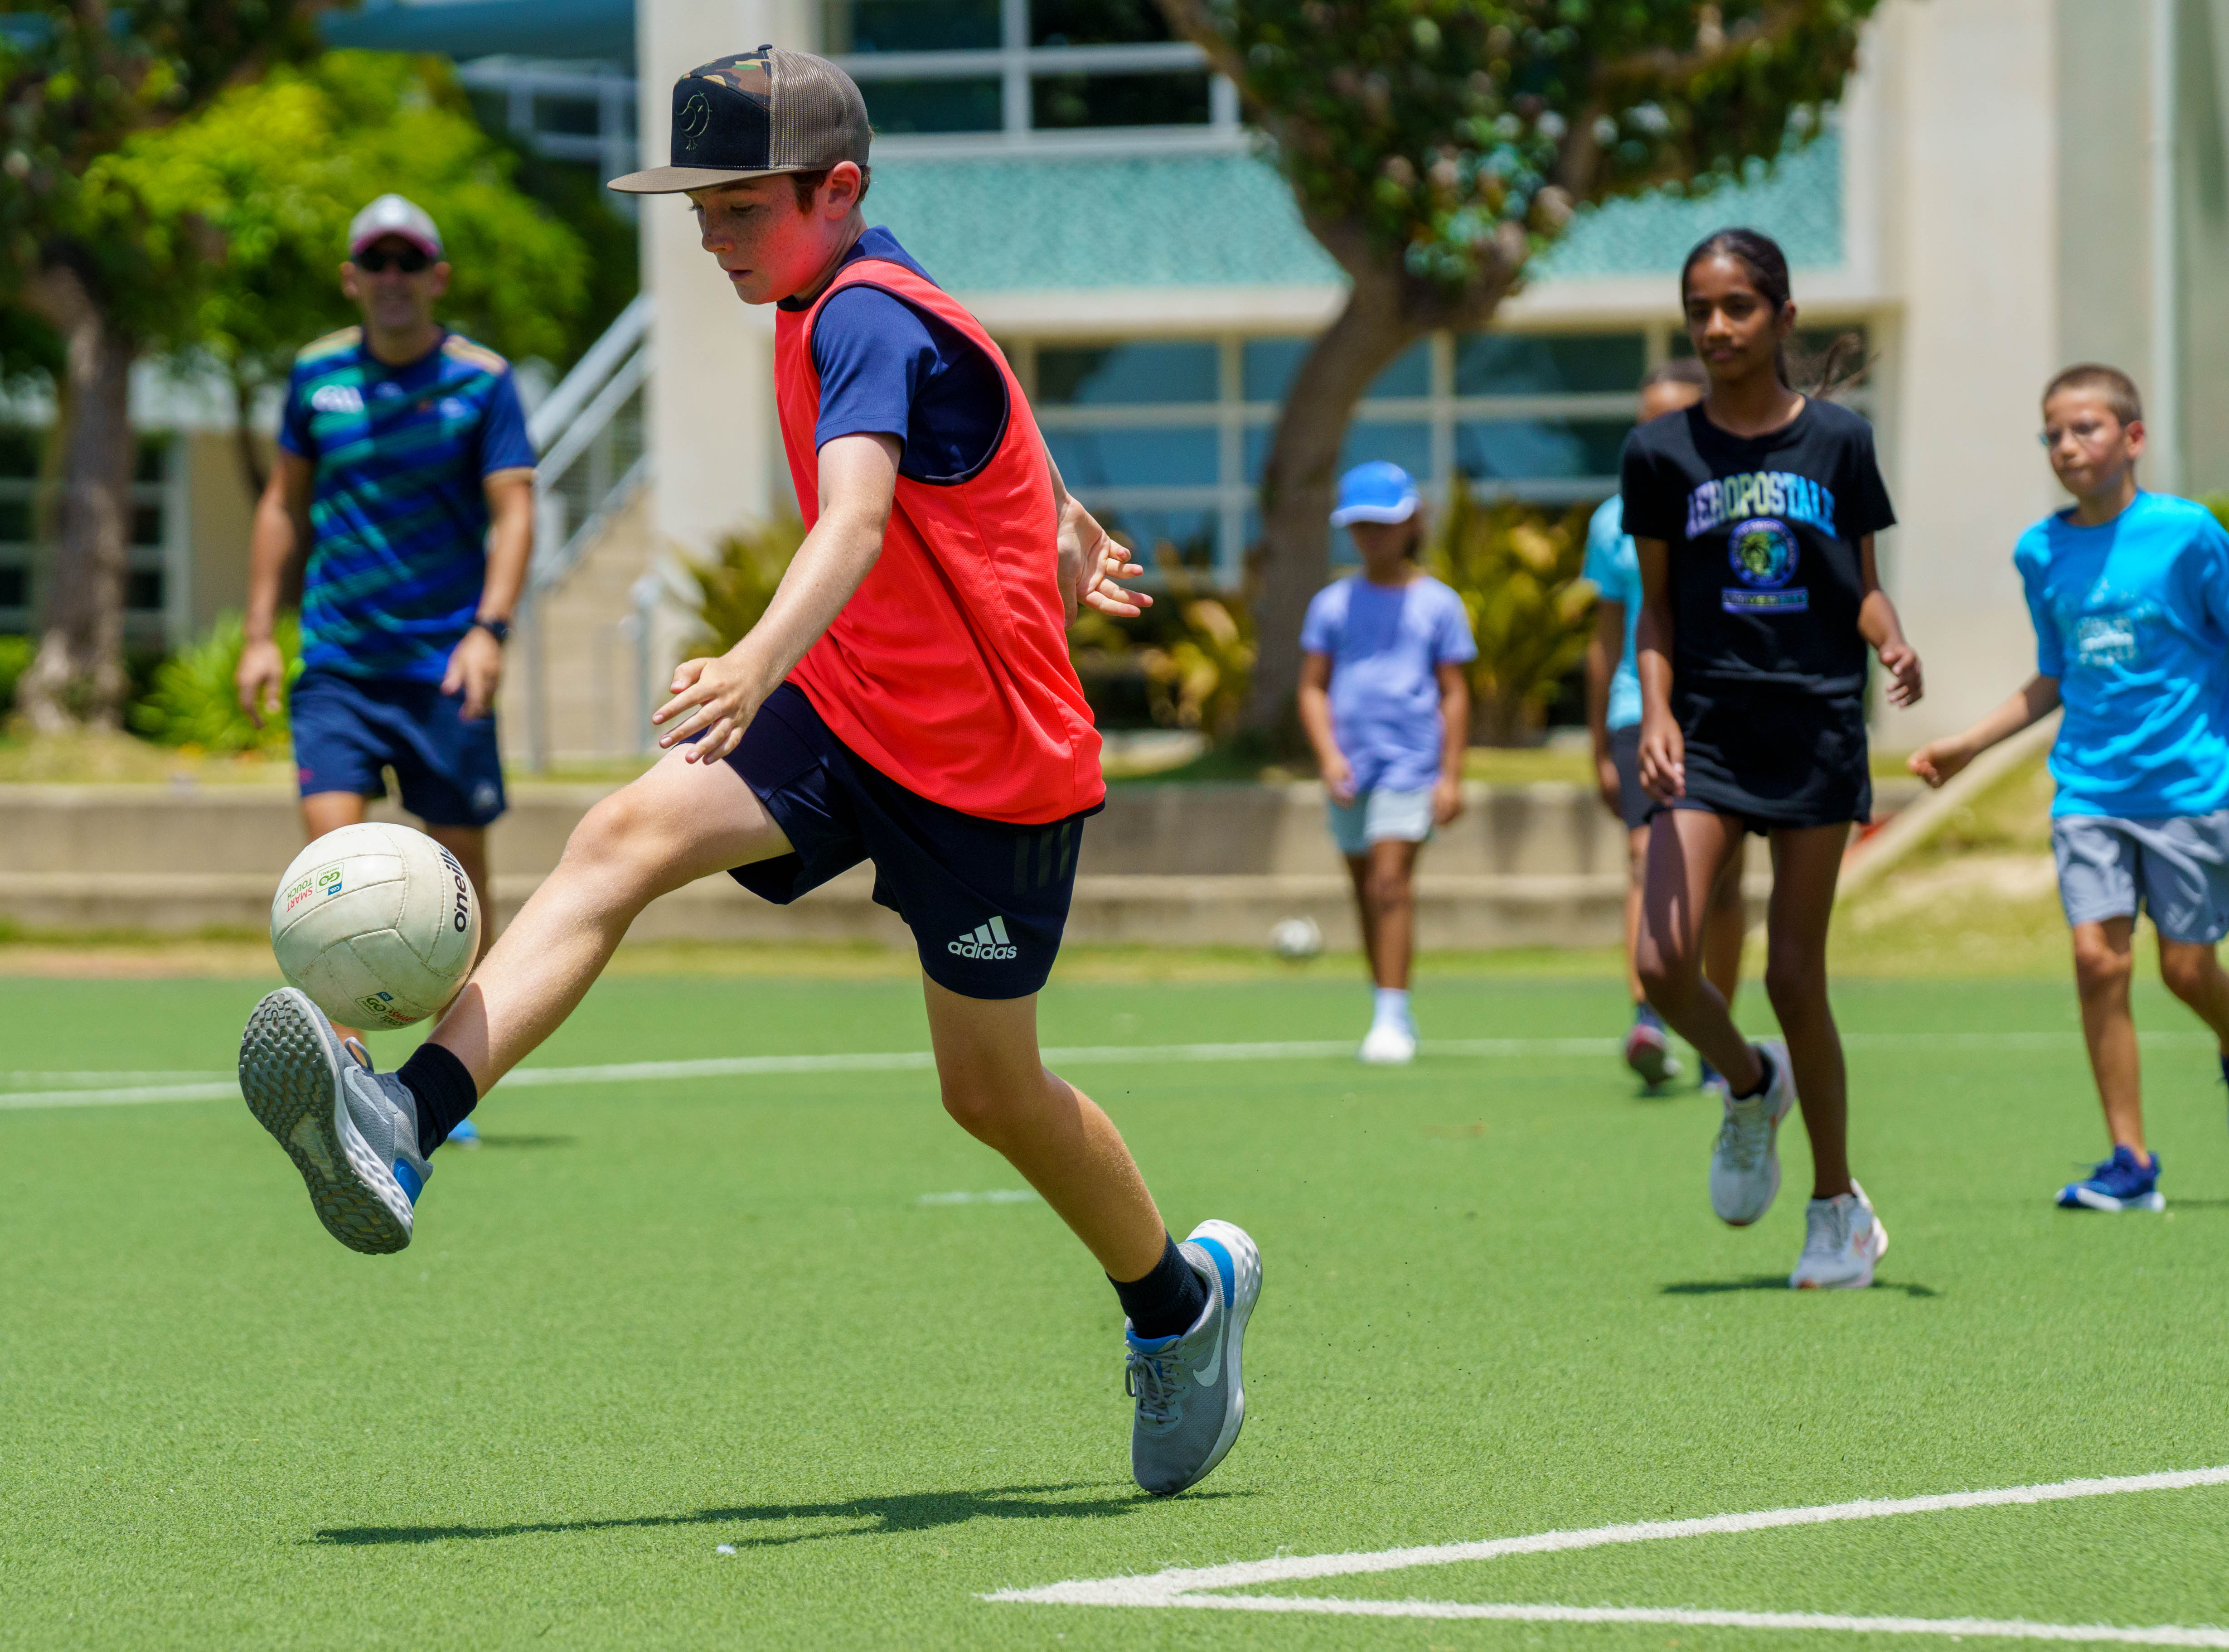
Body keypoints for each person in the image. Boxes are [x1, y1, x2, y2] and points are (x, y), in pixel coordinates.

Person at [230, 45, 1262, 1498]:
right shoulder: (830, 296)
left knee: (990, 1094)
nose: (705, 236)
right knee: (622, 835)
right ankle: (408, 1117)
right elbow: (975, 427)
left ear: (835, 191)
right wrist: (1064, 524)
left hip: (989, 771)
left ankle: (1178, 1301)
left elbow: (850, 519)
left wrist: (753, 659)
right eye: (695, 207)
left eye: (733, 206)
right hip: (856, 711)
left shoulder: (858, 317)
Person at [1908, 365, 2229, 1212]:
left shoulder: (2187, 534)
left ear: (2132, 438)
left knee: (2187, 972)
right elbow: (2054, 677)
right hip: (2086, 788)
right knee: (2095, 960)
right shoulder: (2039, 551)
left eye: (2085, 428)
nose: (2066, 446)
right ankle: (2130, 1162)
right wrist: (1971, 744)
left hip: (2189, 788)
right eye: (2052, 433)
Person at [1621, 227, 1924, 1290]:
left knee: (1796, 974)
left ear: (1783, 317)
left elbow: (1862, 582)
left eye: (1738, 306)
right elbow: (1656, 609)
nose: (1716, 327)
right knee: (1663, 964)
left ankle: (1839, 1207)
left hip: (1816, 730)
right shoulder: (1661, 454)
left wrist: (1889, 636)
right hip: (1705, 734)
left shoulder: (1838, 441)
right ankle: (1752, 1084)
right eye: (1700, 307)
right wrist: (1655, 712)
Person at [234, 193, 537, 1145]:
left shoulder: (481, 382)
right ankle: (351, 1076)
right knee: (328, 866)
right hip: (339, 665)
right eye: (379, 262)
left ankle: (451, 1078)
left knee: (459, 873)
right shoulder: (317, 377)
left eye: (412, 263)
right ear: (353, 276)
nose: (394, 278)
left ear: (437, 277)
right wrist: (256, 633)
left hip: (446, 665)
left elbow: (515, 512)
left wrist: (490, 629)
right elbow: (284, 504)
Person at [1583, 360, 1743, 1092]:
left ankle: (1717, 1032)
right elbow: (1606, 635)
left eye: (1673, 418)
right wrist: (1598, 744)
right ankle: (1647, 1013)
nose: (1657, 433)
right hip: (1633, 707)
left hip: (1719, 707)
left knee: (1727, 883)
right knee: (1646, 857)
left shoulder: (1735, 507)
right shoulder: (1610, 521)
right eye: (1645, 419)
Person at [1296, 462, 1475, 1065]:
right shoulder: (1330, 603)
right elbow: (1312, 687)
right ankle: (1386, 1005)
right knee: (1364, 889)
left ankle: (1392, 1017)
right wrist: (1327, 755)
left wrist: (1450, 776)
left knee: (1390, 881)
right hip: (1351, 769)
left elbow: (1453, 691)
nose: (1372, 536)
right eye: (1361, 526)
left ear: (1412, 523)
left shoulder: (1439, 604)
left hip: (1411, 765)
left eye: (1384, 523)